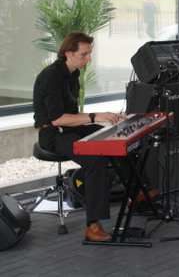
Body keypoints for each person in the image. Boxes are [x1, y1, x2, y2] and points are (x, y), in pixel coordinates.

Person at [33, 31, 126, 241]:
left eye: (90, 53)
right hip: (52, 134)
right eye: (84, 54)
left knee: (114, 137)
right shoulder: (50, 76)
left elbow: (72, 115)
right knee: (94, 159)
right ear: (68, 53)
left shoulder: (73, 75)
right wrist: (94, 116)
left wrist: (103, 118)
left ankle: (138, 193)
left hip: (69, 128)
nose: (89, 59)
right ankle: (92, 226)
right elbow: (57, 119)